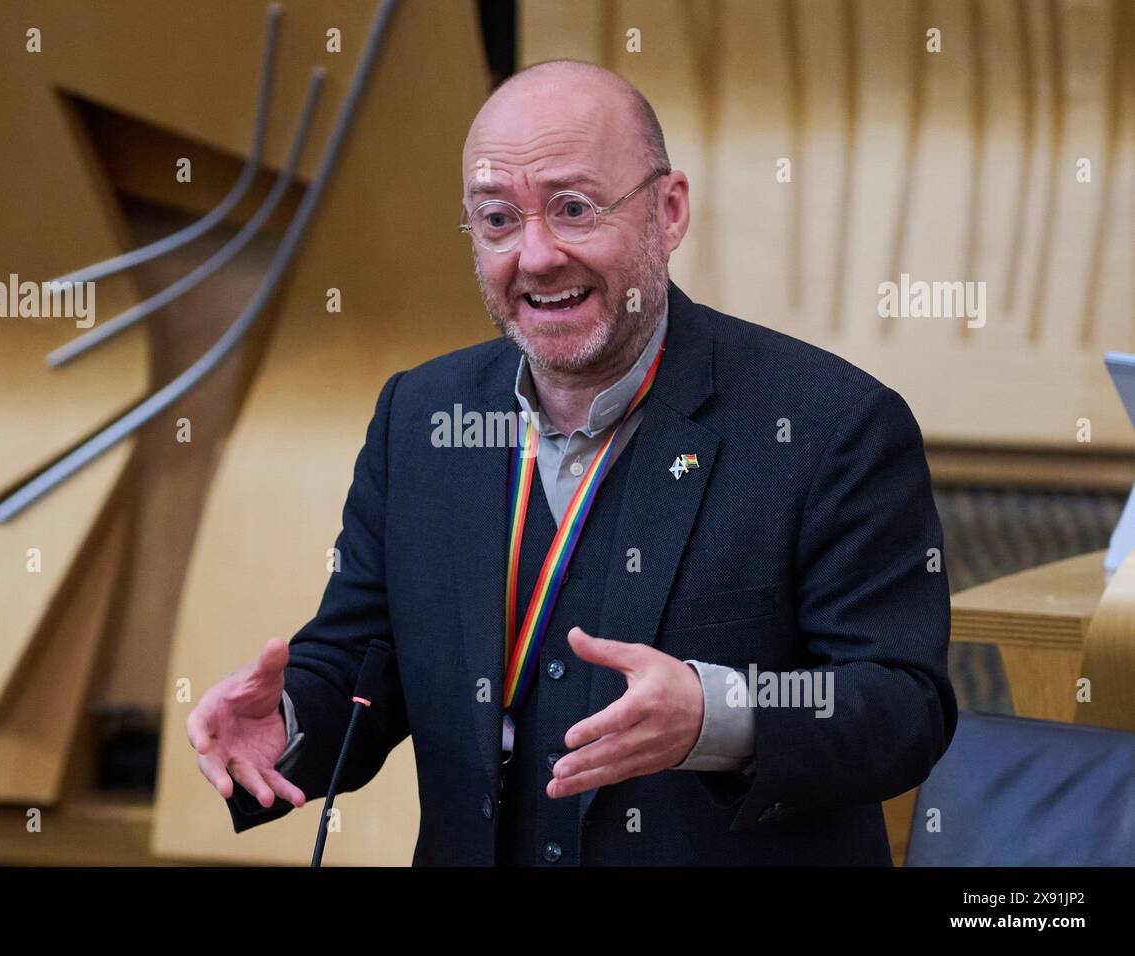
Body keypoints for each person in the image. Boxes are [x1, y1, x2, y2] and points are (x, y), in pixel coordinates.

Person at [186, 58, 956, 865]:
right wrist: (291, 722)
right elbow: (358, 660)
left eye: (574, 208)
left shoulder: (832, 425)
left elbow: (902, 708)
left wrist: (717, 714)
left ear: (669, 211)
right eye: (496, 220)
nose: (538, 255)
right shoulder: (420, 418)